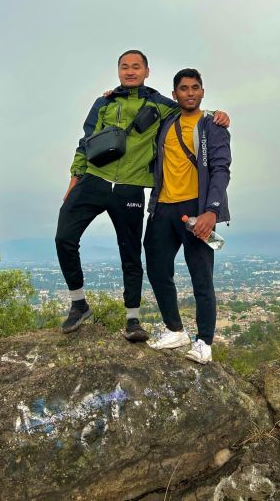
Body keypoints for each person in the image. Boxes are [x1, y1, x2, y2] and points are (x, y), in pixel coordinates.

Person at [55, 51, 229, 342]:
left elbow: (190, 108)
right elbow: (85, 140)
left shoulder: (160, 104)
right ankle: (78, 303)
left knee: (131, 252)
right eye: (125, 67)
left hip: (131, 186)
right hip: (95, 180)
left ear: (147, 71)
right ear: (118, 71)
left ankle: (133, 320)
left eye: (136, 67)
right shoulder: (104, 102)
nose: (130, 71)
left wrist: (217, 115)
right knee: (64, 237)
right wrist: (75, 176)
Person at [144, 68, 231, 364]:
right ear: (175, 94)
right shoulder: (167, 122)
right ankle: (174, 330)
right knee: (156, 269)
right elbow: (146, 98)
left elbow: (221, 169)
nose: (190, 92)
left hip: (197, 208)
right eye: (184, 88)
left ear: (203, 91)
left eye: (195, 87)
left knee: (201, 277)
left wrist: (212, 211)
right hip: (163, 207)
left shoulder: (213, 126)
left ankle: (204, 342)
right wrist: (112, 94)